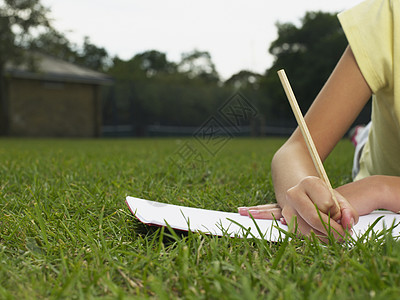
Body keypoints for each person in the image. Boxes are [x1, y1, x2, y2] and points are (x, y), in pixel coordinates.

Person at [238, 0, 400, 240]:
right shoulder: (389, 15)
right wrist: (304, 193)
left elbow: (382, 189)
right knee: (366, 140)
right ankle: (361, 135)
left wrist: (382, 188)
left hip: (383, 173)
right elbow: (297, 149)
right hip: (380, 149)